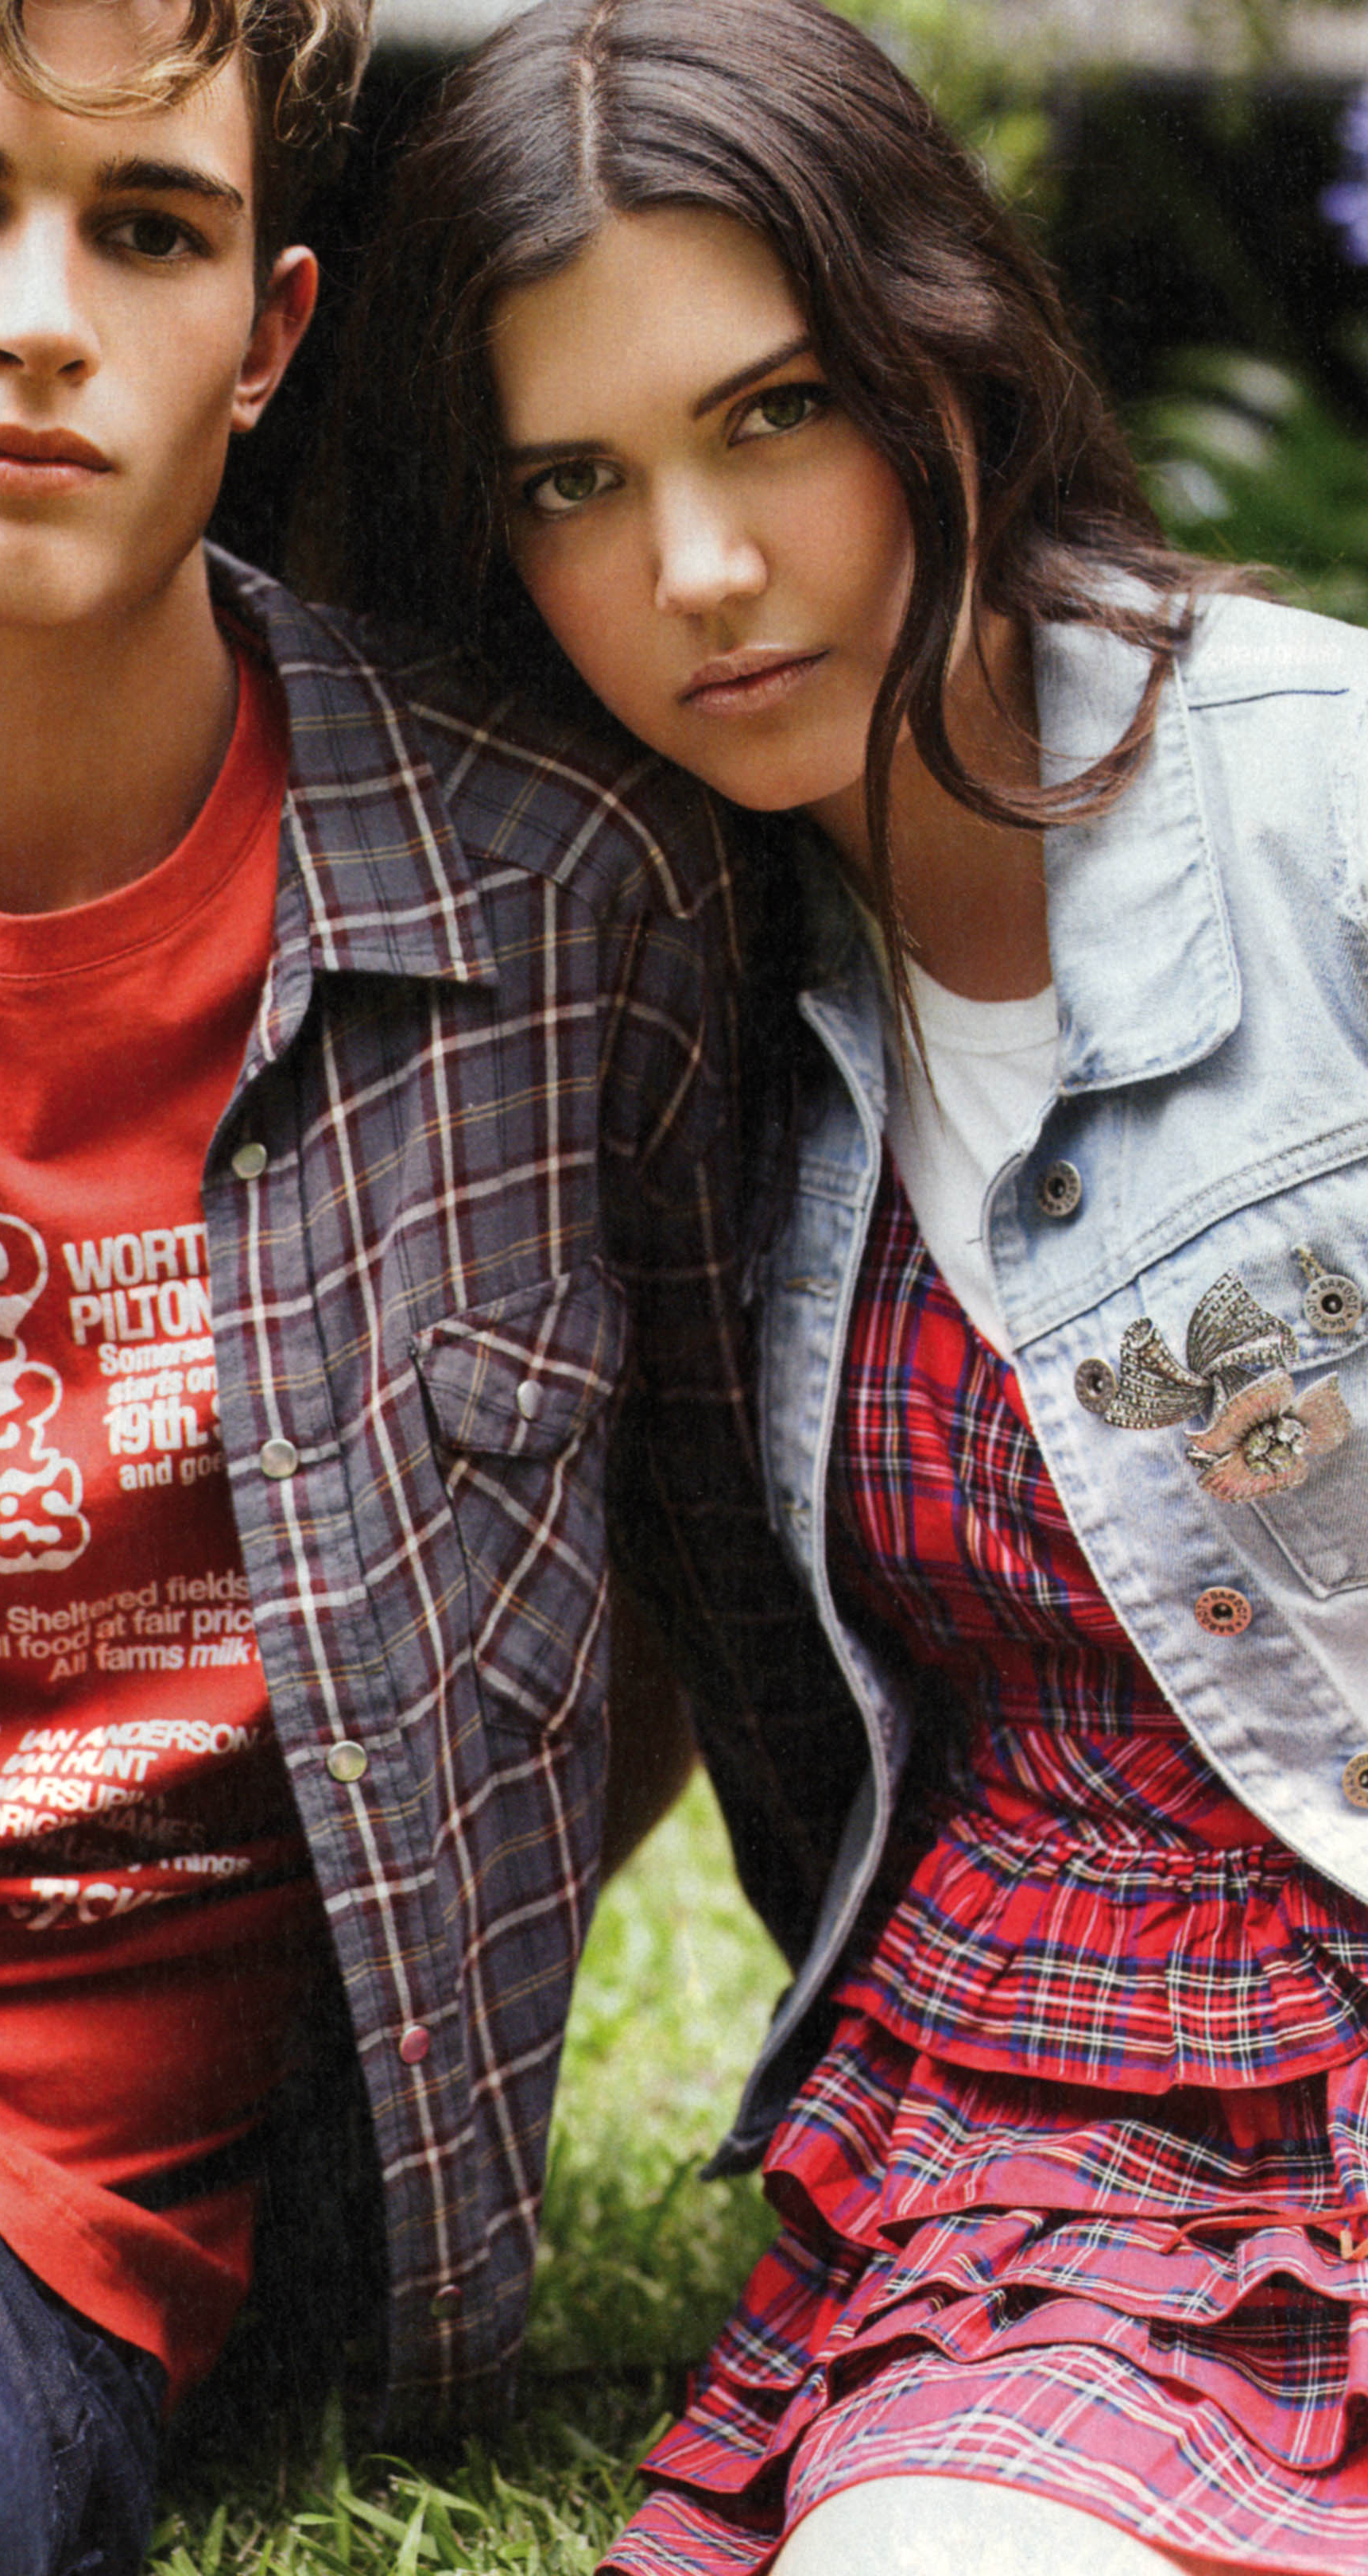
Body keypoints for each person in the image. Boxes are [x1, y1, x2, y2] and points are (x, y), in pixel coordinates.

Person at [0, 0, 814, 2562]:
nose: (38, 318)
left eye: (144, 230)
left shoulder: (559, 906)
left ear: (266, 335)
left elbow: (773, 1635)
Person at [323, 0, 1368, 2569]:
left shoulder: (1319, 800)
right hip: (1092, 2086)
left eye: (770, 415)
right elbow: (576, 1652)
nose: (693, 568)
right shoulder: (638, 991)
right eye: (575, 482)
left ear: (944, 371)